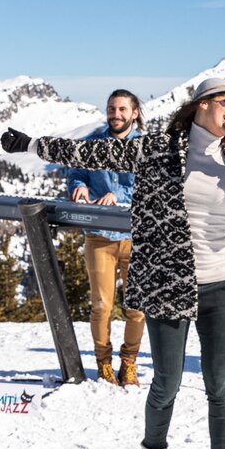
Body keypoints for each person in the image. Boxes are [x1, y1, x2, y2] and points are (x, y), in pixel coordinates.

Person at [1, 77, 225, 449]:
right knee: (167, 383)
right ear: (201, 106)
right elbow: (91, 153)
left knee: (221, 384)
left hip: (223, 283)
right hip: (168, 280)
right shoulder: (158, 147)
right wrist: (32, 145)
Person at [59, 88, 146, 384]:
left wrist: (117, 194)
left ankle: (129, 362)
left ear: (134, 113)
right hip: (99, 235)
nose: (116, 114)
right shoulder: (93, 143)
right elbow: (76, 171)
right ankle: (103, 363)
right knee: (101, 305)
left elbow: (151, 187)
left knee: (136, 306)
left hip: (137, 236)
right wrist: (79, 185)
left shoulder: (146, 147)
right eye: (111, 109)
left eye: (122, 109)